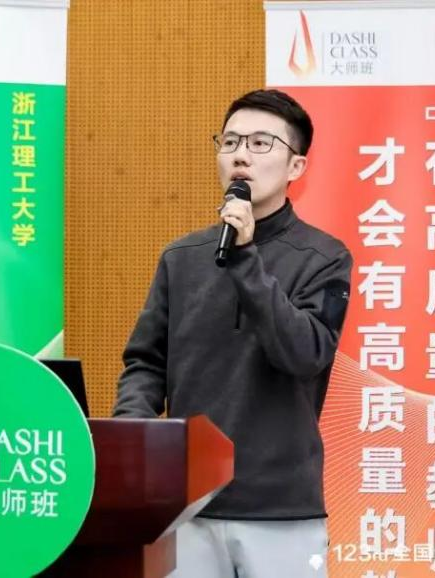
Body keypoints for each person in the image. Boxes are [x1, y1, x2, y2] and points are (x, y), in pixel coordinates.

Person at [113, 89, 352, 578]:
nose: (241, 155)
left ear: (297, 166)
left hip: (281, 511)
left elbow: (305, 353)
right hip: (185, 506)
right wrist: (134, 436)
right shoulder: (181, 258)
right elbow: (146, 363)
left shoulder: (325, 258)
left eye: (261, 143)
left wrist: (245, 259)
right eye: (230, 142)